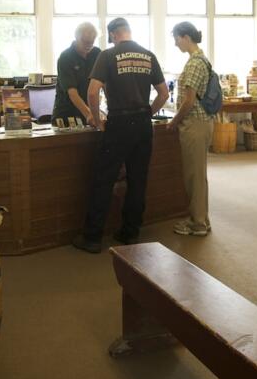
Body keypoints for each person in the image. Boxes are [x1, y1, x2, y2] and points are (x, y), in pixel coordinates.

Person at [72, 18, 169, 253]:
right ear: (128, 32)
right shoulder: (148, 55)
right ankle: (130, 232)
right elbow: (164, 93)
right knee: (138, 180)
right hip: (143, 125)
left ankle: (93, 237)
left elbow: (93, 92)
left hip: (118, 123)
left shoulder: (107, 56)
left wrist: (95, 119)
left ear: (114, 34)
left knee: (103, 179)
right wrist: (148, 112)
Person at [166, 21, 214, 237]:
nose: (176, 44)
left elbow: (189, 101)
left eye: (176, 39)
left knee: (193, 176)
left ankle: (198, 224)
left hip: (194, 124)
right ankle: (202, 217)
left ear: (185, 37)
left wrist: (174, 121)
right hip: (202, 123)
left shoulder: (194, 63)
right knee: (198, 174)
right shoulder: (201, 59)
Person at [52, 21, 99, 125]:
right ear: (76, 37)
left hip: (88, 110)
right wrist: (89, 114)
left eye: (91, 42)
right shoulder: (65, 57)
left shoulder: (97, 54)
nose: (88, 45)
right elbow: (72, 93)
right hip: (66, 113)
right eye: (85, 42)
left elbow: (103, 83)